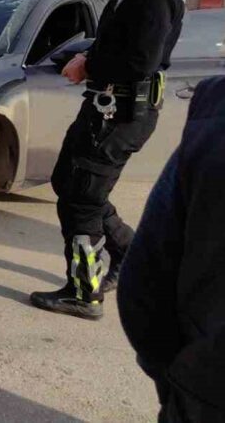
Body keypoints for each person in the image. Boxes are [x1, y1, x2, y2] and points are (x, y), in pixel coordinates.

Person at [29, 0, 184, 319]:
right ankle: (135, 259)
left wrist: (88, 65)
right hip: (107, 109)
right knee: (71, 183)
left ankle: (84, 292)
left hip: (120, 114)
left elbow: (140, 61)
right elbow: (121, 42)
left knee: (81, 200)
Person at [118, 77, 225, 421]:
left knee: (83, 200)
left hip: (207, 386)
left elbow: (145, 284)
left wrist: (180, 379)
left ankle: (84, 287)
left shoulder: (214, 120)